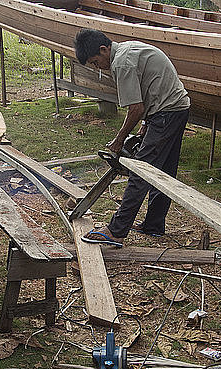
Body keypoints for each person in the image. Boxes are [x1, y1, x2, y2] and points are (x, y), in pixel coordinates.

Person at [73, 28, 190, 247]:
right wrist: (146, 124)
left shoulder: (121, 63)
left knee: (140, 171)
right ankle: (153, 225)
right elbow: (149, 88)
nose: (98, 68)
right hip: (176, 108)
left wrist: (118, 141)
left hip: (166, 112)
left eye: (96, 62)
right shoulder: (127, 49)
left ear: (103, 49)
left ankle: (117, 231)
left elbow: (136, 108)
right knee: (162, 172)